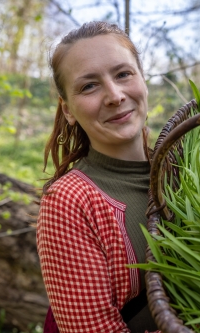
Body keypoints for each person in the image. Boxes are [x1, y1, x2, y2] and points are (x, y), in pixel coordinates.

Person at [36, 21, 159, 333]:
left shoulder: (187, 167)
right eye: (89, 86)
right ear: (68, 110)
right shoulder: (69, 202)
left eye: (122, 74)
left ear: (143, 80)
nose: (115, 95)